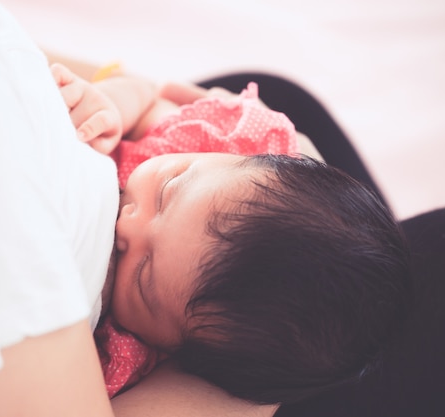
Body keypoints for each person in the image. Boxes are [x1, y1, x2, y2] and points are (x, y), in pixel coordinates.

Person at [50, 63, 413, 403]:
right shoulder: (212, 144)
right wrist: (111, 104)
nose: (126, 223)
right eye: (167, 189)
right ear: (227, 154)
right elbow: (148, 98)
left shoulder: (119, 355)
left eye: (142, 275)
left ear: (174, 351)